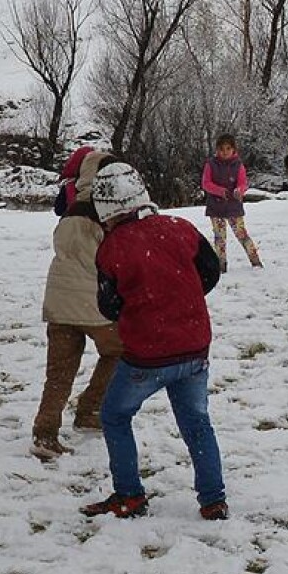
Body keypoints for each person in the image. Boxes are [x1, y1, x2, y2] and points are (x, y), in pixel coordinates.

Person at [81, 162, 228, 520]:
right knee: (196, 422)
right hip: (194, 346)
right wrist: (181, 299)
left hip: (146, 355)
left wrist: (146, 307)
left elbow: (109, 305)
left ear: (105, 208)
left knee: (115, 415)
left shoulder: (112, 248)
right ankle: (213, 500)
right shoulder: (181, 228)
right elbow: (210, 273)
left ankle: (129, 495)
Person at [31, 148, 123, 461]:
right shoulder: (107, 211)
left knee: (58, 373)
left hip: (58, 301)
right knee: (120, 351)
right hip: (91, 302)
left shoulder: (70, 209)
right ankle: (90, 407)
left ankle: (45, 434)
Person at [202, 133, 262, 271]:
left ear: (233, 149)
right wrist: (220, 191)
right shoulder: (210, 164)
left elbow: (243, 183)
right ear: (217, 149)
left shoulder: (238, 165)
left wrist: (239, 191)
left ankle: (255, 260)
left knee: (242, 234)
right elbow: (206, 183)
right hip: (215, 206)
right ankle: (221, 265)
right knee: (219, 238)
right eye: (221, 149)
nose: (225, 152)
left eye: (228, 148)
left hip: (233, 206)